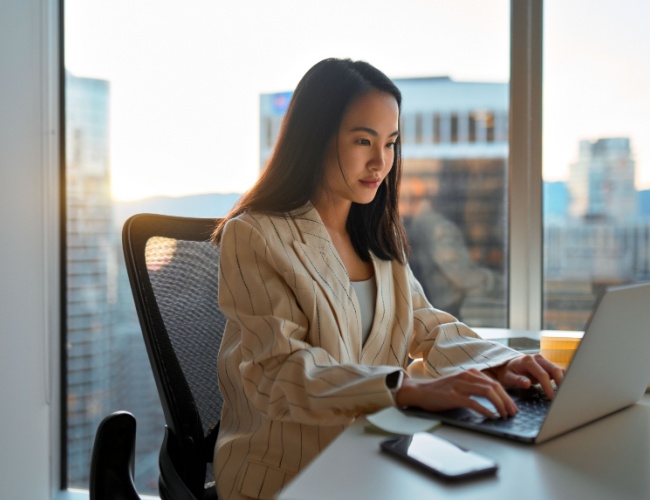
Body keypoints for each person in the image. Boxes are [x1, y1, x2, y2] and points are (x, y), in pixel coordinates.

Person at [212, 58, 564, 500]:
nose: (380, 162)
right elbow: (279, 374)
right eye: (363, 140)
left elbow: (423, 323)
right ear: (316, 138)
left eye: (391, 143)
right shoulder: (255, 234)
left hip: (377, 462)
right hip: (289, 477)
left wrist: (501, 361)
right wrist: (405, 389)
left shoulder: (376, 234)